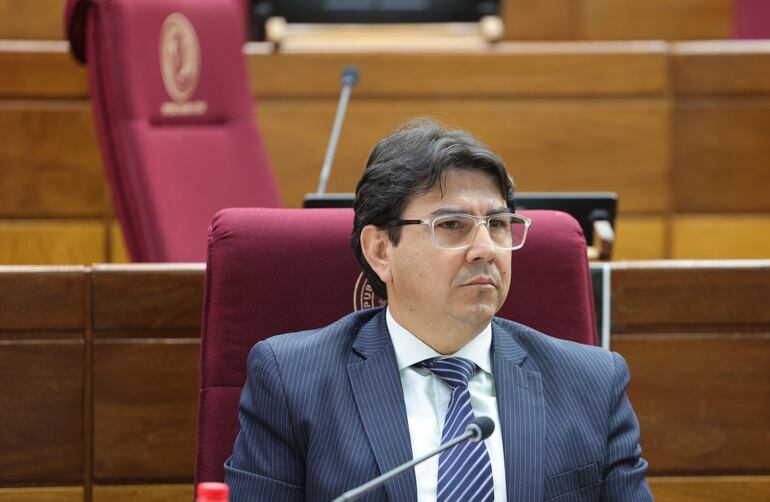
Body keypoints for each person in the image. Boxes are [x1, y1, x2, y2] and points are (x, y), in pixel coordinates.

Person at [225, 119, 652, 501]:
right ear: (380, 250)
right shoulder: (293, 382)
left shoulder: (593, 385)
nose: (485, 249)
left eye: (498, 225)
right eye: (452, 225)